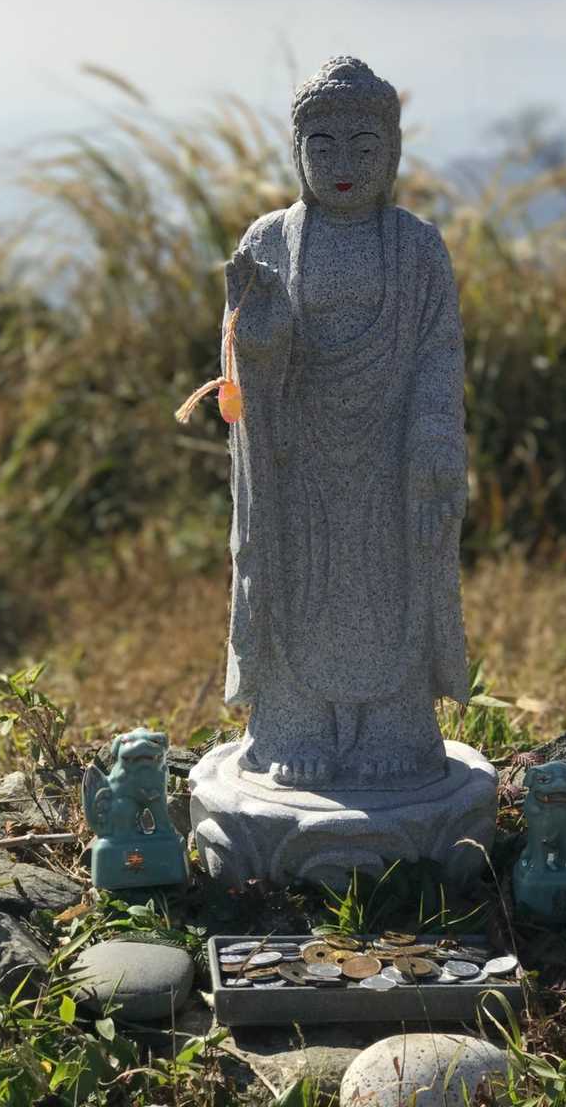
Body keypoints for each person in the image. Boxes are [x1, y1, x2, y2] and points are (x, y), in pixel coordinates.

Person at [222, 57, 469, 789]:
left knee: (392, 578)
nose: (342, 166)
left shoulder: (417, 246)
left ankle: (393, 725)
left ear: (391, 153)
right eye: (322, 146)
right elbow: (240, 359)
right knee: (298, 577)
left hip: (392, 453)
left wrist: (433, 438)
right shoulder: (269, 239)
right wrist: (259, 340)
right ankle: (293, 721)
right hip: (296, 455)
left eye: (364, 148)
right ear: (296, 151)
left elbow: (439, 351)